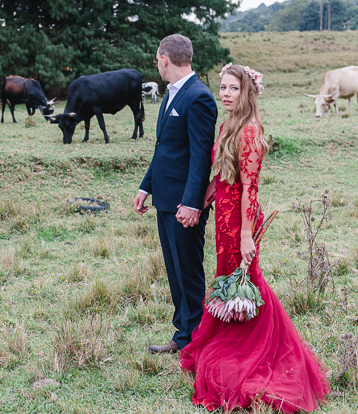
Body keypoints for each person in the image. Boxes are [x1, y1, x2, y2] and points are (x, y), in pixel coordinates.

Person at [180, 63, 331, 413]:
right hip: (225, 215)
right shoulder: (228, 124)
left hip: (241, 221)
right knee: (228, 281)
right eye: (223, 87)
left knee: (246, 281)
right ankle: (231, 337)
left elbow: (251, 188)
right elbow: (225, 174)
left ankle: (252, 347)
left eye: (233, 88)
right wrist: (206, 194)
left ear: (247, 92)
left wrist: (247, 235)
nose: (225, 93)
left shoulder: (249, 130)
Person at [134, 34, 218, 353]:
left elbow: (200, 156)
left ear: (164, 59)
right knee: (175, 271)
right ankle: (182, 335)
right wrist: (146, 186)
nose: (157, 64)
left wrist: (192, 204)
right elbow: (164, 149)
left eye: (157, 59)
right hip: (165, 198)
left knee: (189, 273)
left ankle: (196, 341)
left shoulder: (198, 97)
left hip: (185, 204)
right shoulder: (171, 94)